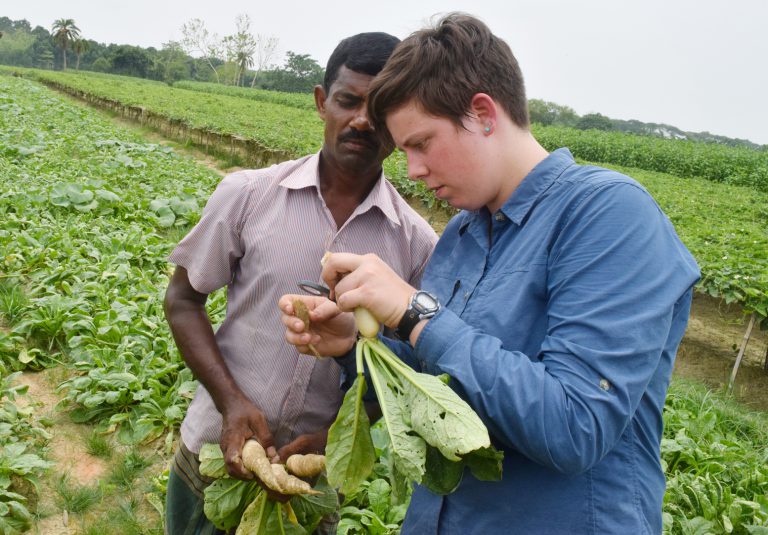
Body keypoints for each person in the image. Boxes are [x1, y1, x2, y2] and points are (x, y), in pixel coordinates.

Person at [280, 13, 700, 534]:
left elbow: (575, 426)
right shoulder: (460, 234)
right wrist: (349, 343)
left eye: (421, 143)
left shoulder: (608, 214)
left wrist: (416, 311)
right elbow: (437, 391)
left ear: (482, 113)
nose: (410, 169)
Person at [163, 31, 438, 535]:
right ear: (320, 102)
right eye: (347, 101)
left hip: (309, 484)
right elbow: (183, 300)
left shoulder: (416, 243)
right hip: (212, 453)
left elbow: (403, 372)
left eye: (380, 111)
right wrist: (232, 403)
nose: (361, 121)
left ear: (400, 123)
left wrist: (340, 434)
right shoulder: (248, 194)